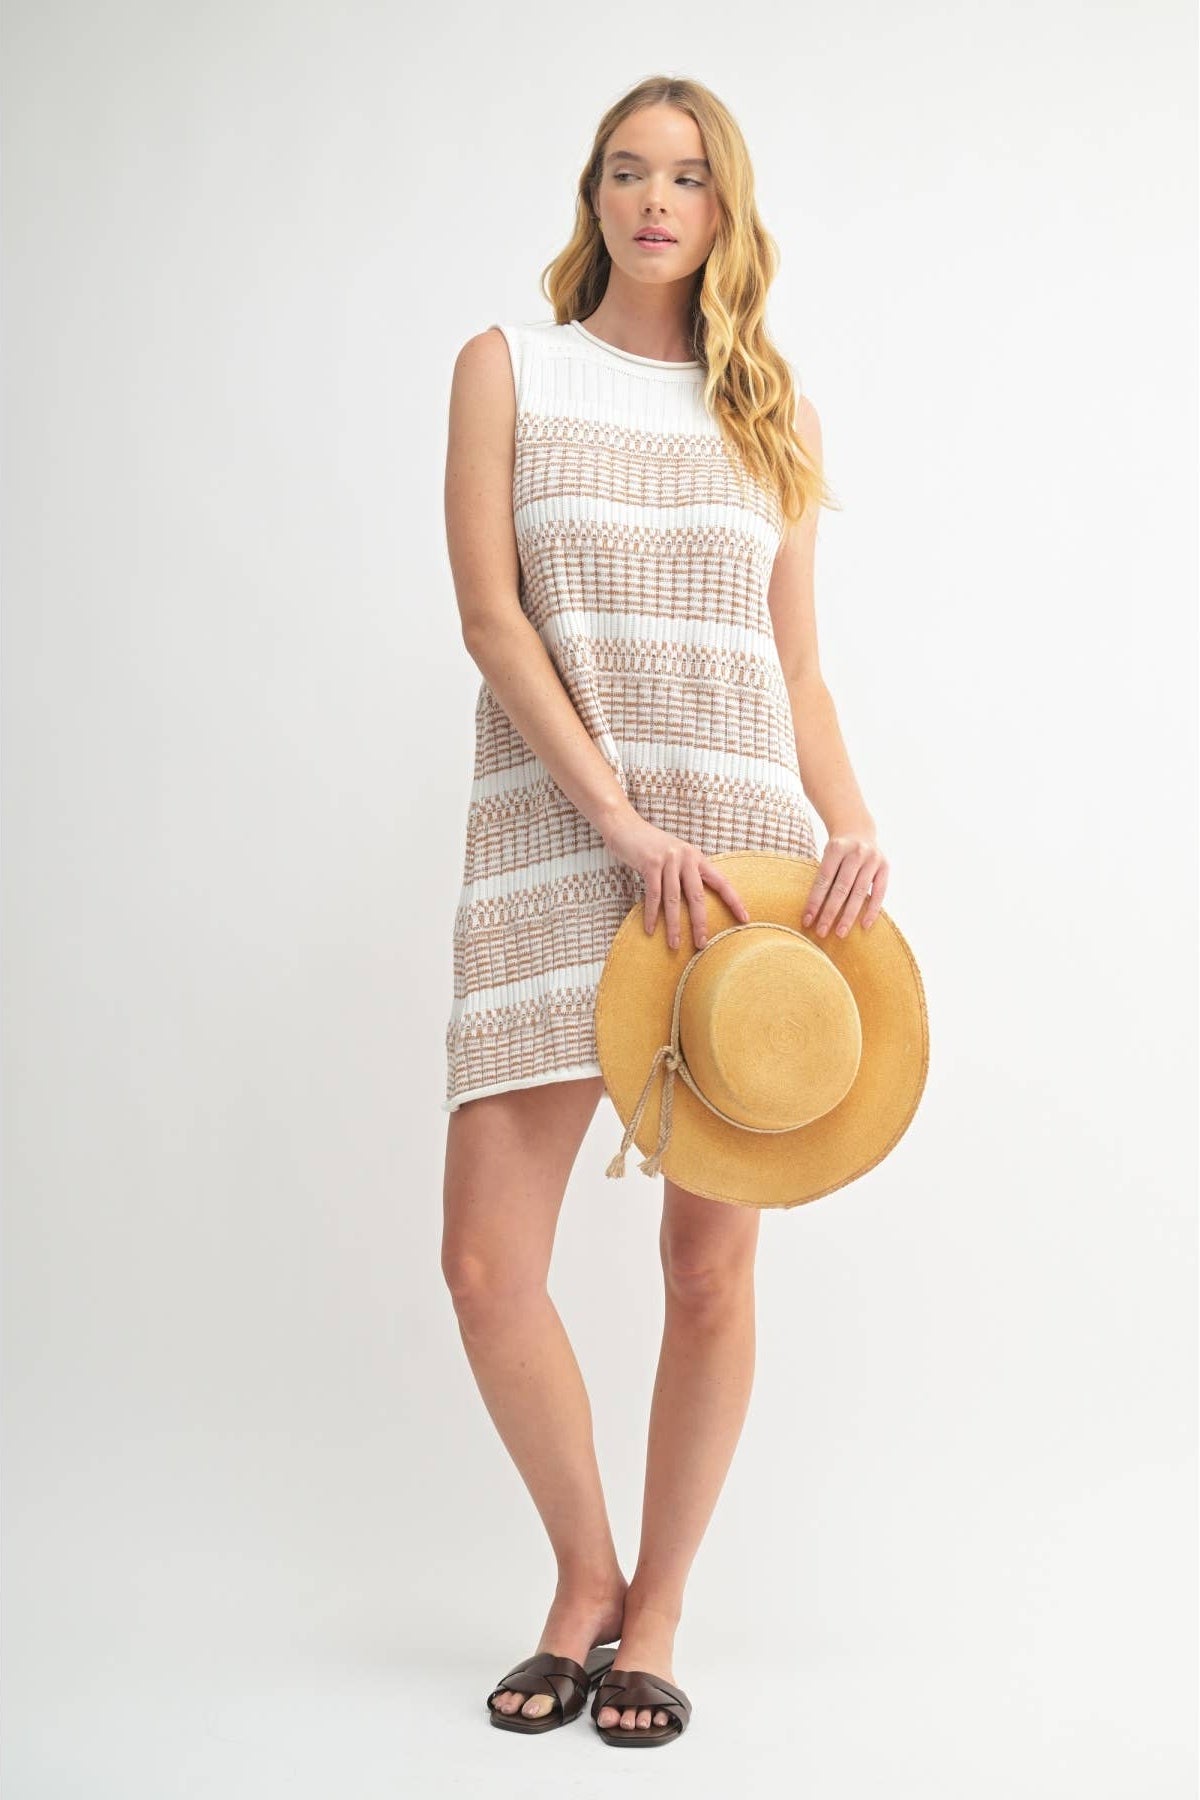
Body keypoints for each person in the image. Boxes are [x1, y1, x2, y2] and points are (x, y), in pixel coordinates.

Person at [440, 74, 889, 1744]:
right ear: (594, 197)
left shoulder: (773, 412)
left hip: (744, 874)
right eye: (626, 172)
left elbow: (797, 670)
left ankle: (664, 1610)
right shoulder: (511, 367)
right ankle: (585, 1580)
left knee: (709, 1268)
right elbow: (493, 620)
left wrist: (849, 825)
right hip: (564, 849)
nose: (653, 200)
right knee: (486, 1264)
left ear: (724, 209)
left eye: (686, 178)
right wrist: (620, 823)